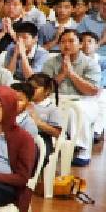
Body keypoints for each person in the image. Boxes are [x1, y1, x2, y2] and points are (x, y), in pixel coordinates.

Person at [40, 28, 101, 166]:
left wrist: (72, 74)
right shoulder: (51, 62)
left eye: (71, 41)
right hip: (56, 97)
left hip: (84, 100)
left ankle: (80, 148)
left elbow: (91, 91)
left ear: (80, 44)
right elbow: (45, 88)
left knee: (76, 110)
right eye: (62, 42)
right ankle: (46, 148)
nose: (66, 45)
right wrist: (63, 73)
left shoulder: (90, 63)